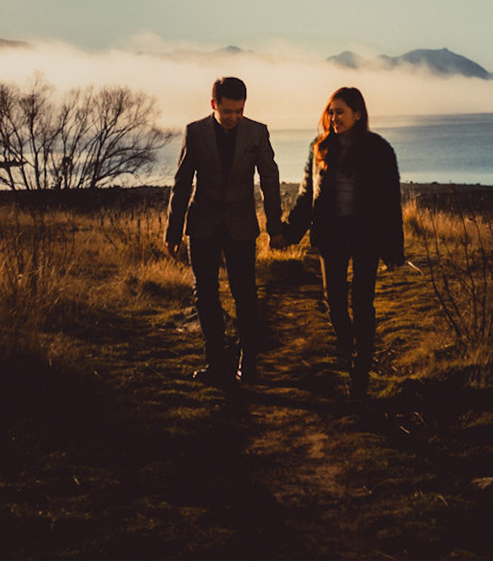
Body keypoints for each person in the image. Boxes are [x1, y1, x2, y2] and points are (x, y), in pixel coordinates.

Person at [278, 86, 405, 399]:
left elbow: (391, 201)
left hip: (366, 237)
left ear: (358, 114)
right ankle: (350, 349)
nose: (334, 118)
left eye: (340, 112)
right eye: (330, 111)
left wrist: (393, 249)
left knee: (362, 304)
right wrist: (289, 233)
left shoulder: (379, 149)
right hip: (331, 235)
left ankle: (360, 375)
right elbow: (307, 196)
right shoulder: (319, 148)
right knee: (334, 304)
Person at [164, 76, 284, 387]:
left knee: (245, 295)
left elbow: (269, 179)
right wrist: (173, 231)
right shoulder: (195, 132)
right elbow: (181, 183)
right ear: (213, 104)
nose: (232, 117)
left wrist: (275, 227)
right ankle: (216, 364)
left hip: (241, 226)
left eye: (239, 111)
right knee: (205, 296)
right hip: (202, 225)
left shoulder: (257, 132)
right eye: (227, 111)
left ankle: (248, 363)